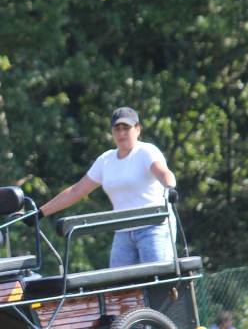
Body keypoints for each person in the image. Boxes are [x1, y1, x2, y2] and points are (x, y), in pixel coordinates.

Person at [39, 106, 177, 267]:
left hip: (154, 226)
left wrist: (170, 187)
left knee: (158, 281)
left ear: (138, 129)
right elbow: (76, 191)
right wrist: (40, 213)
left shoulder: (146, 151)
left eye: (126, 128)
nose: (121, 133)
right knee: (118, 287)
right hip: (123, 230)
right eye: (117, 129)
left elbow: (163, 173)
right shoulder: (106, 160)